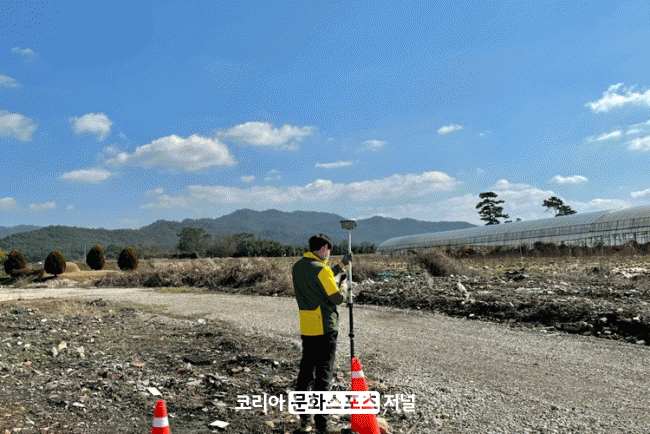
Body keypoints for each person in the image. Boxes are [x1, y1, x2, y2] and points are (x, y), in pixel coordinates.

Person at [292, 234, 352, 434]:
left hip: (308, 326)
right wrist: (344, 286)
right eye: (329, 251)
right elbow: (337, 299)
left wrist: (341, 265)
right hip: (325, 328)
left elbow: (320, 276)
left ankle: (304, 420)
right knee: (323, 377)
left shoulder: (298, 267)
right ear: (325, 248)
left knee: (305, 374)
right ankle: (321, 425)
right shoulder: (321, 270)